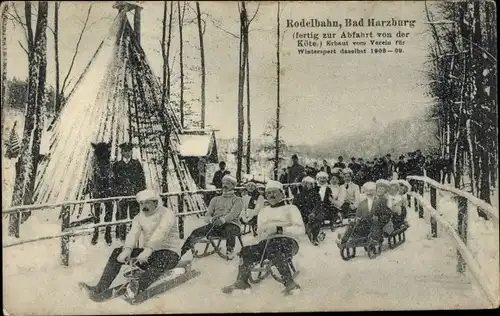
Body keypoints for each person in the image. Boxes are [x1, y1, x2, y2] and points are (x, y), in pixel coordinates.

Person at [79, 190, 180, 301]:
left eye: (147, 203)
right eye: (141, 203)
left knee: (162, 257)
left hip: (170, 254)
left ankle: (136, 288)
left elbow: (161, 232)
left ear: (155, 202)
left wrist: (148, 250)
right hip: (149, 255)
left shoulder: (167, 214)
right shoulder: (139, 217)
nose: (143, 206)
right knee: (117, 252)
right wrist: (127, 250)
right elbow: (133, 234)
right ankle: (99, 289)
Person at [221, 180, 304, 296]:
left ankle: (290, 283)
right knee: (246, 251)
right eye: (268, 193)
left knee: (275, 247)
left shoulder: (291, 208)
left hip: (288, 241)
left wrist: (279, 229)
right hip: (267, 243)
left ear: (282, 193)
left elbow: (300, 230)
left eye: (274, 192)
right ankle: (241, 281)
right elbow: (260, 234)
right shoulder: (263, 212)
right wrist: (265, 233)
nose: (271, 195)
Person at [180, 175, 243, 260]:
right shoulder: (215, 199)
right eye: (223, 183)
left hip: (232, 224)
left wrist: (223, 220)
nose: (224, 185)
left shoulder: (237, 200)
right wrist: (211, 219)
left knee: (229, 229)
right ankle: (181, 254)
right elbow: (207, 215)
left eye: (228, 183)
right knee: (196, 232)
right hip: (216, 225)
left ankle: (230, 251)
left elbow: (233, 214)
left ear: (233, 186)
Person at [113, 142, 147, 242]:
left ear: (131, 152)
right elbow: (114, 181)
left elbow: (142, 180)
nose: (127, 153)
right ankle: (122, 238)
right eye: (125, 151)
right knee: (122, 217)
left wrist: (140, 194)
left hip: (134, 195)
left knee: (134, 217)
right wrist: (116, 194)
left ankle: (133, 237)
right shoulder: (117, 165)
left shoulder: (136, 164)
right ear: (121, 152)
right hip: (122, 195)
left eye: (129, 151)